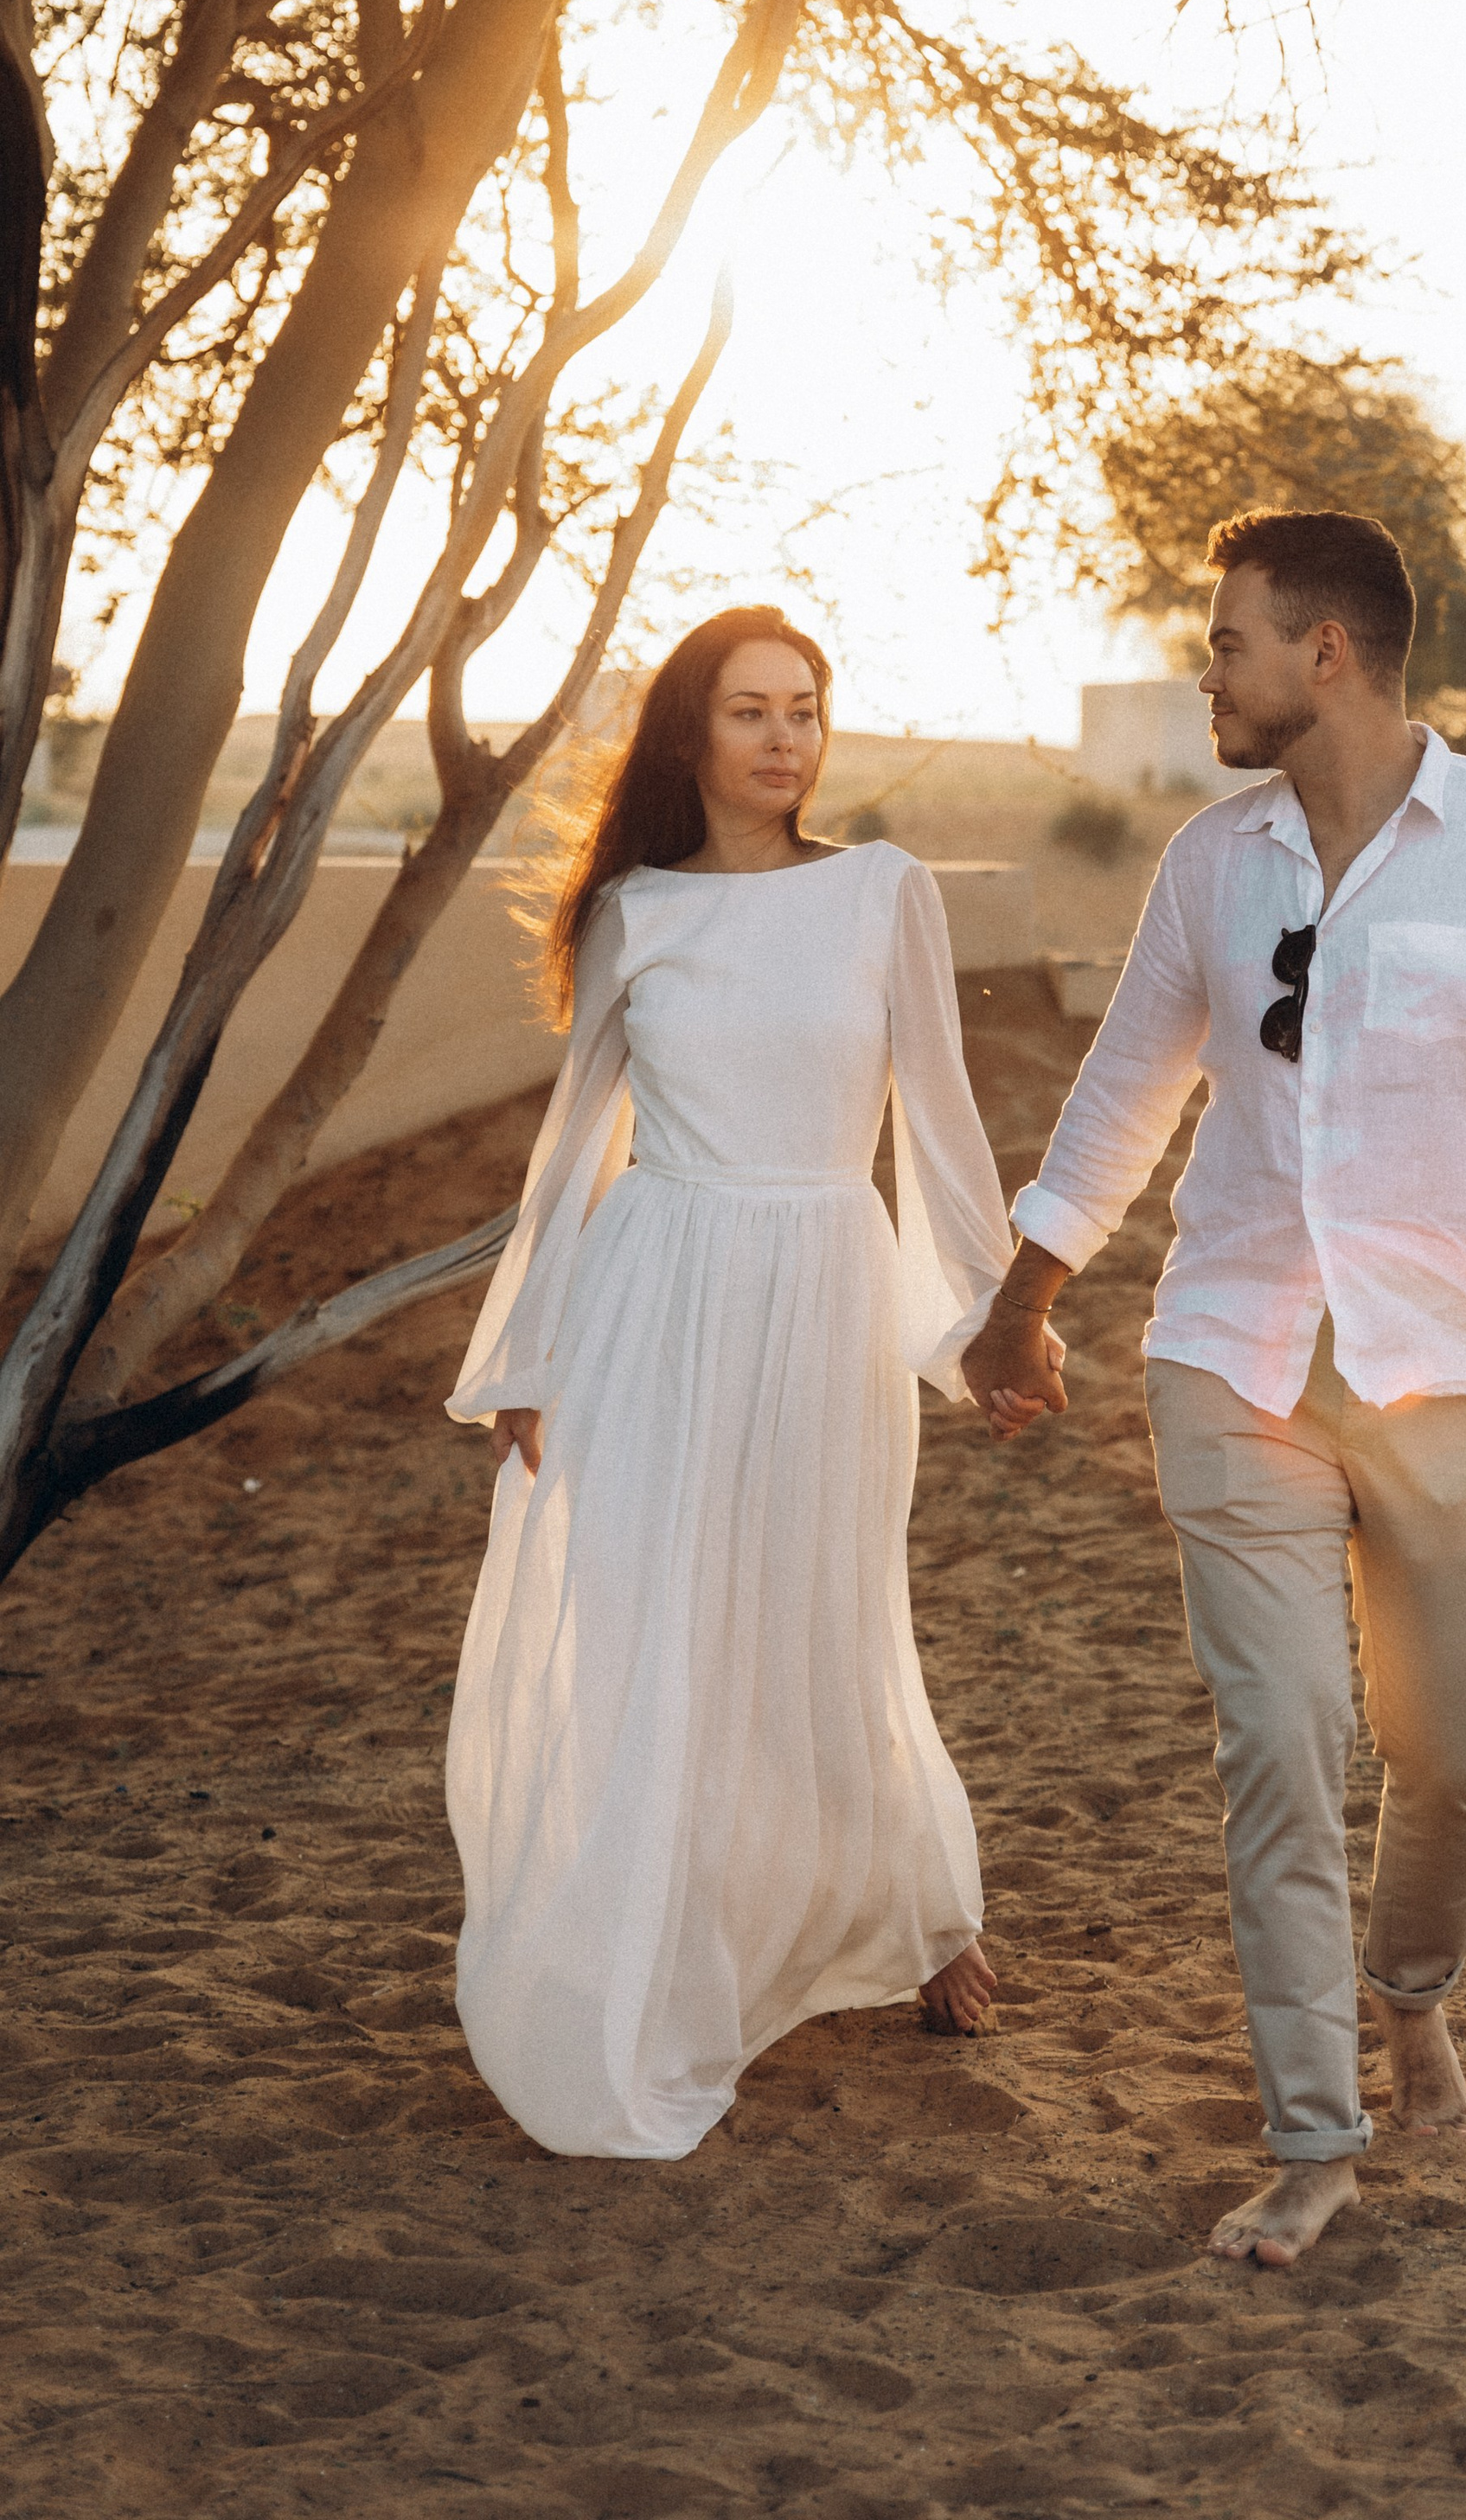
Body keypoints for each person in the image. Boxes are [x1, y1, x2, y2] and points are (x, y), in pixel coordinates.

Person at [963, 511, 1466, 2269]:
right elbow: (1120, 1096)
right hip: (1228, 1357)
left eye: (1223, 642)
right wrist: (1024, 1299)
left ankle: (1411, 1998)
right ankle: (1313, 2140)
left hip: (1449, 1367)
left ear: (1325, 654)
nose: (1202, 676)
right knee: (1284, 1746)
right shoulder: (1207, 866)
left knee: (1445, 1754)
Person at [445, 604, 1018, 2159]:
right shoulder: (634, 910)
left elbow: (941, 1126)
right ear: (692, 735)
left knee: (824, 1608)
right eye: (753, 711)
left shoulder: (884, 893)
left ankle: (921, 1911)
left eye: (807, 709)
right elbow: (578, 1148)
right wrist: (530, 1351)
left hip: (825, 1279)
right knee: (650, 1609)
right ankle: (657, 1931)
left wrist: (987, 1318)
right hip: (657, 1288)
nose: (784, 739)